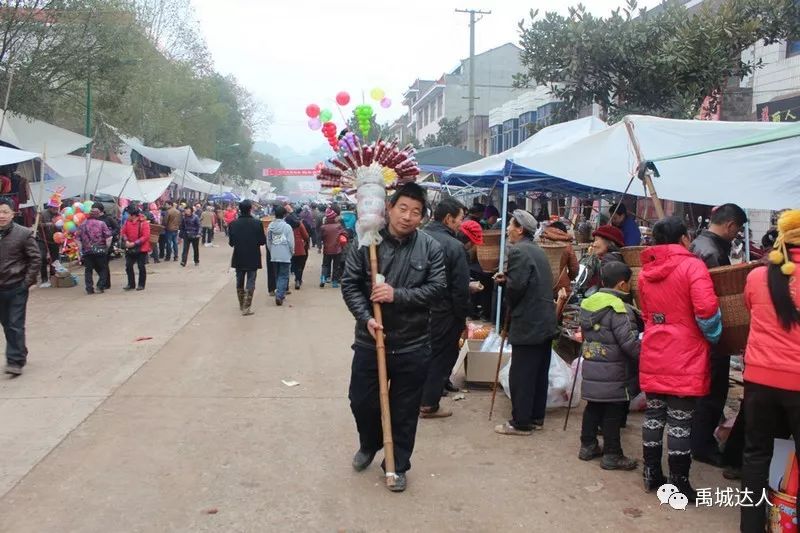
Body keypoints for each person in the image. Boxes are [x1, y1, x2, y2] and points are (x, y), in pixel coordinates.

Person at [341, 183, 446, 493]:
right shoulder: (366, 243)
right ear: (388, 207)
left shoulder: (430, 248)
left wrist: (395, 295)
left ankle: (396, 464)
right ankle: (370, 443)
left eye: (416, 212)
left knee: (403, 410)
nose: (408, 217)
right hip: (370, 341)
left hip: (413, 344)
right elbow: (350, 285)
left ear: (423, 217)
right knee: (361, 401)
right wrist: (367, 317)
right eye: (403, 208)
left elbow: (437, 290)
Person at [638, 216, 721, 500]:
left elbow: (648, 314)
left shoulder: (645, 270)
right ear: (684, 238)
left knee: (654, 415)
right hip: (685, 353)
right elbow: (707, 311)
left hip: (654, 348)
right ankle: (679, 482)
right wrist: (713, 337)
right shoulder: (693, 266)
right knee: (680, 420)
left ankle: (650, 474)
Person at [739, 209, 800, 533]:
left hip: (759, 379)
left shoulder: (756, 276)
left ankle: (750, 526)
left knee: (755, 456)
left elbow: (752, 311)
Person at [687, 203, 748, 467]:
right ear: (731, 226)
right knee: (712, 390)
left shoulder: (698, 243)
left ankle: (697, 440)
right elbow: (710, 300)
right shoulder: (712, 253)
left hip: (696, 332)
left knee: (704, 390)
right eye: (737, 232)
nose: (736, 237)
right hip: (710, 334)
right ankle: (701, 445)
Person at [493, 210, 557, 436]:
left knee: (522, 374)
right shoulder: (537, 250)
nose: (508, 229)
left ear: (520, 229)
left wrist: (506, 286)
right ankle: (536, 417)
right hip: (544, 321)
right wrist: (507, 281)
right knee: (538, 372)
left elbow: (517, 288)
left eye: (511, 225)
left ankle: (521, 422)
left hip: (529, 321)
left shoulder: (519, 250)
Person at [578, 261, 641, 471]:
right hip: (614, 372)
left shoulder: (589, 303)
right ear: (622, 284)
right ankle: (612, 454)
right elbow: (629, 344)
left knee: (593, 406)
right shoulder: (619, 309)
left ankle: (587, 446)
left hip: (592, 366)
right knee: (613, 412)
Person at [420, 198, 471, 418]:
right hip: (444, 312)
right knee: (440, 357)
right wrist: (462, 318)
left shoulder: (417, 237)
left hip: (415, 308)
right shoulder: (454, 246)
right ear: (449, 219)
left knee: (418, 353)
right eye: (460, 219)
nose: (462, 223)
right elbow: (460, 288)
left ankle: (413, 398)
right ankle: (429, 404)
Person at [0, 197, 41, 376]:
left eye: (5, 212)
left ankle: (15, 361)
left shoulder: (23, 233)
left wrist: (26, 282)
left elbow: (35, 259)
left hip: (16, 286)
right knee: (7, 324)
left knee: (15, 323)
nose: (1, 215)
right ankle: (20, 351)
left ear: (12, 214)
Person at [228, 200, 266, 316]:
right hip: (253, 256)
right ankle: (247, 307)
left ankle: (241, 303)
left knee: (239, 280)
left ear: (239, 209)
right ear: (250, 209)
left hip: (239, 255)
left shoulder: (233, 224)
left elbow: (231, 243)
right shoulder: (257, 223)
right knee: (251, 280)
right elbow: (262, 241)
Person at [77, 203, 112, 295]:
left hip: (87, 251)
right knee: (103, 269)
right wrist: (107, 247)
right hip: (100, 250)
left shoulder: (82, 225)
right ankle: (100, 286)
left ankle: (89, 288)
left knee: (88, 270)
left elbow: (78, 239)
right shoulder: (102, 223)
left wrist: (80, 251)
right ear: (97, 215)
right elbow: (108, 237)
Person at [542, 220, 580, 298]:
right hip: (561, 290)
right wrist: (568, 278)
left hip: (542, 287)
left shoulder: (541, 241)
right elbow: (574, 269)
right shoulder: (567, 245)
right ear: (564, 232)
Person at [582, 225, 626, 291]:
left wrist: (589, 257)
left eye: (596, 240)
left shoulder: (610, 261)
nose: (593, 245)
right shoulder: (610, 258)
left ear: (608, 242)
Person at [266, 205, 294, 306]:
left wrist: (272, 250)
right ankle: (279, 295)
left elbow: (268, 241)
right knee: (284, 276)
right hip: (285, 255)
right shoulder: (287, 227)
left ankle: (280, 293)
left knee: (278, 275)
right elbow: (290, 242)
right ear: (284, 215)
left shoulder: (270, 226)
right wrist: (292, 252)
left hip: (274, 254)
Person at [120, 204, 151, 291]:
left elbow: (146, 236)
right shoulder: (127, 222)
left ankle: (141, 284)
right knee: (128, 266)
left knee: (141, 266)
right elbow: (123, 232)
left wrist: (134, 243)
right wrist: (126, 241)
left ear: (133, 215)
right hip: (130, 247)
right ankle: (131, 283)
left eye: (128, 214)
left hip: (141, 249)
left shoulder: (144, 223)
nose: (127, 216)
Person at [35, 201, 61, 288]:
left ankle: (53, 277)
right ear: (49, 207)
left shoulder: (59, 215)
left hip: (54, 241)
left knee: (55, 259)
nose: (55, 209)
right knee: (42, 257)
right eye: (54, 208)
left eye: (57, 208)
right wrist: (48, 224)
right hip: (42, 239)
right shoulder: (42, 213)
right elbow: (37, 225)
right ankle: (44, 279)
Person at [320, 207, 346, 289]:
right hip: (337, 250)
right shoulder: (339, 226)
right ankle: (334, 282)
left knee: (325, 265)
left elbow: (321, 237)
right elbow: (345, 234)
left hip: (327, 249)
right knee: (336, 266)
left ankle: (323, 279)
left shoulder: (323, 227)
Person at [291, 214, 310, 290]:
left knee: (294, 264)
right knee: (300, 264)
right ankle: (298, 280)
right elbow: (306, 236)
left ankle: (297, 279)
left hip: (291, 247)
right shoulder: (300, 224)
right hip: (300, 247)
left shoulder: (287, 225)